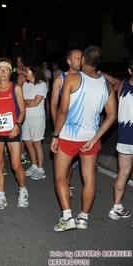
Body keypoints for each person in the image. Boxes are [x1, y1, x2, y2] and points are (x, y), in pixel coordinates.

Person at [51, 45, 117, 231]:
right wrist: (96, 138)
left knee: (60, 176)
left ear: (84, 60)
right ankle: (83, 218)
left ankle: (67, 217)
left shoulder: (72, 78)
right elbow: (112, 115)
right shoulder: (106, 84)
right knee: (89, 178)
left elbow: (63, 111)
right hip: (90, 139)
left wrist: (55, 135)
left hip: (68, 137)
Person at [0, 57, 27, 209]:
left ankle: (23, 190)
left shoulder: (16, 88)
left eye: (6, 70)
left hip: (12, 130)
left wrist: (17, 125)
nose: (2, 72)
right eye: (0, 69)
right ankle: (1, 195)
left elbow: (22, 110)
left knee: (16, 165)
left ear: (10, 72)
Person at [50, 48, 83, 198]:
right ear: (69, 61)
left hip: (83, 128)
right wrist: (57, 127)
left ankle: (67, 183)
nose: (80, 61)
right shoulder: (60, 79)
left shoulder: (86, 78)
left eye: (82, 58)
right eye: (77, 58)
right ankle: (66, 185)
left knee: (75, 162)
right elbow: (53, 104)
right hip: (65, 127)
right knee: (64, 162)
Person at [105, 58, 133, 221]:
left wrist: (101, 73)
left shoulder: (122, 85)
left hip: (124, 138)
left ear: (129, 71)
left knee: (122, 173)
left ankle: (116, 208)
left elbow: (113, 83)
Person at [21, 61, 47, 180]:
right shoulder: (26, 85)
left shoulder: (42, 85)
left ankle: (41, 169)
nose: (25, 74)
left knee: (37, 143)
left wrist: (24, 103)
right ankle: (34, 165)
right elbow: (23, 101)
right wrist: (27, 102)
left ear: (34, 72)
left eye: (27, 71)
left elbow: (35, 103)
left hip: (37, 117)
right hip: (25, 117)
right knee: (27, 142)